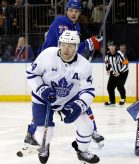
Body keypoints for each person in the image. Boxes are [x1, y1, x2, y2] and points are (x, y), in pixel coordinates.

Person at [24, 0, 104, 151]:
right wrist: (88, 44)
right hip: (50, 66)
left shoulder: (76, 26)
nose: (73, 13)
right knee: (43, 101)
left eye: (77, 11)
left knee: (78, 97)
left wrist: (89, 45)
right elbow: (65, 45)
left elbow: (72, 51)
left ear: (80, 13)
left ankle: (91, 129)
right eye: (71, 10)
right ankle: (32, 132)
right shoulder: (61, 21)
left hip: (63, 66)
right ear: (66, 10)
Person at [25, 30, 99, 164]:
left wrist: (80, 104)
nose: (66, 48)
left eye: (71, 45)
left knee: (87, 125)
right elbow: (31, 73)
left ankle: (82, 151)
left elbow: (88, 90)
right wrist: (42, 89)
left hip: (69, 98)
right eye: (63, 44)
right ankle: (44, 145)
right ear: (59, 44)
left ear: (76, 47)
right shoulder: (47, 54)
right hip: (43, 98)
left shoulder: (84, 65)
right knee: (45, 133)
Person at [104, 41, 129, 106]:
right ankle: (112, 101)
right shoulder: (108, 55)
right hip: (115, 72)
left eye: (113, 46)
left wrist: (120, 72)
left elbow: (126, 64)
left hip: (123, 72)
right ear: (108, 47)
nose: (111, 47)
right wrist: (108, 69)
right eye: (110, 46)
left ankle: (123, 98)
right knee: (109, 87)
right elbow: (107, 63)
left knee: (119, 85)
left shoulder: (120, 54)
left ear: (115, 47)